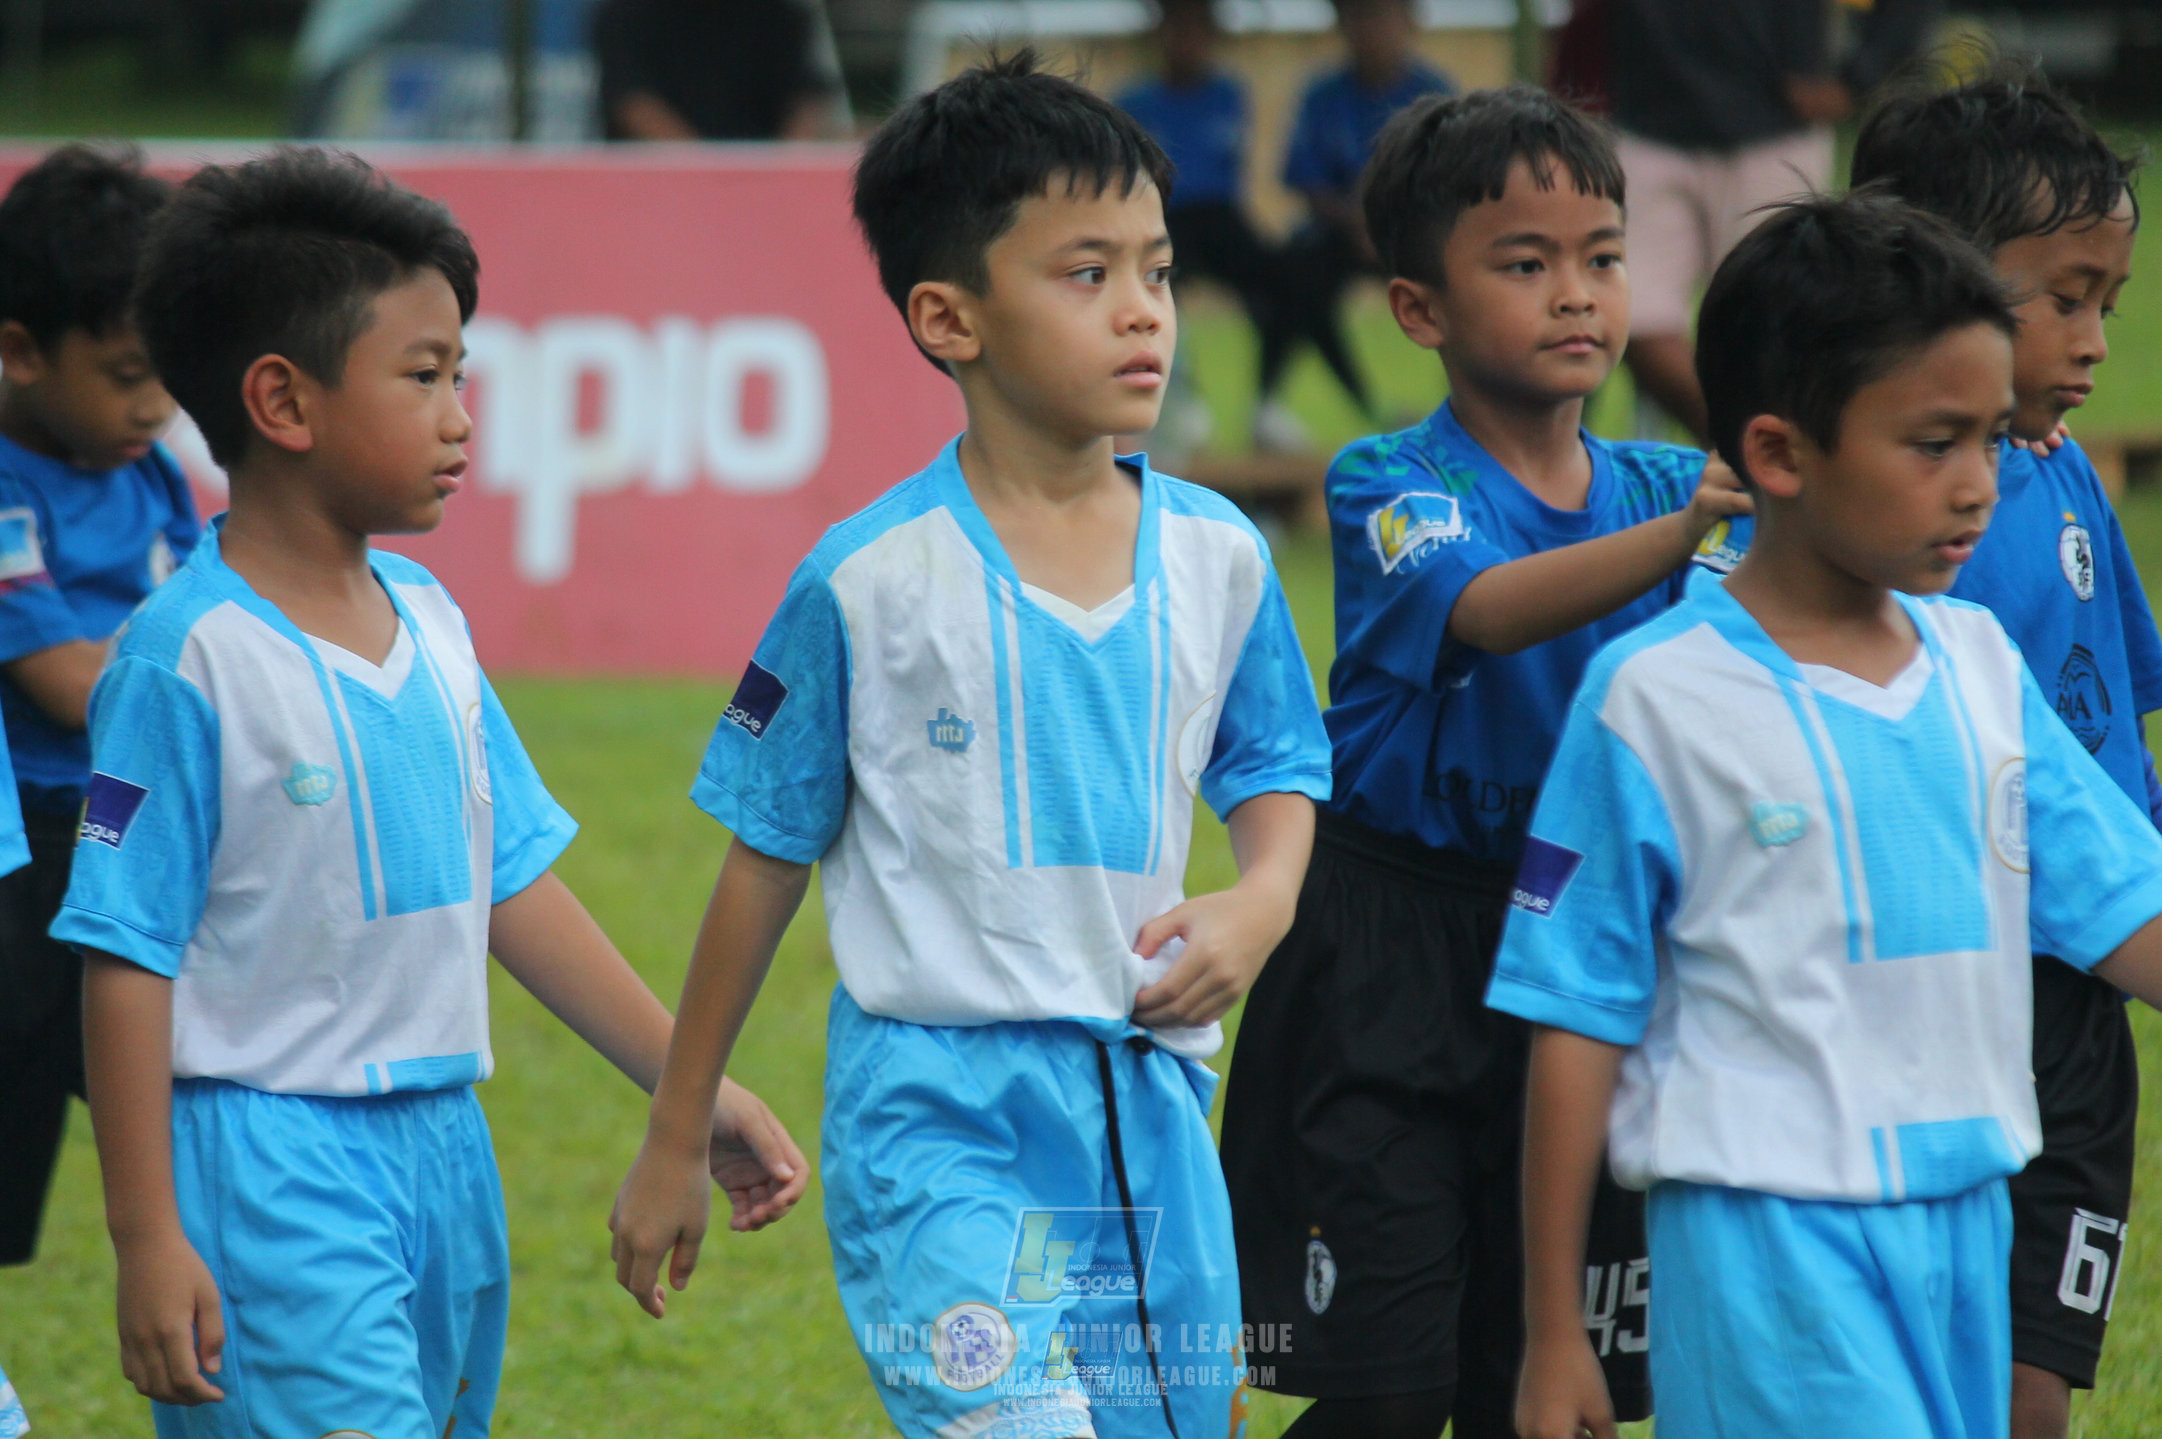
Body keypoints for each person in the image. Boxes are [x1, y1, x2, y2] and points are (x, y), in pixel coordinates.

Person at [607, 53, 1334, 1439]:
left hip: (1152, 1112)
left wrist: (1263, 895)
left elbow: (1275, 765)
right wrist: (671, 1123)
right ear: (949, 317)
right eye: (1084, 273)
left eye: (1159, 270)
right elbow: (762, 859)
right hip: (941, 1118)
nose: (1142, 311)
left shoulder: (1220, 554)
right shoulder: (866, 580)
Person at [57, 148, 807, 1438]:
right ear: (282, 402)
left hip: (446, 1150)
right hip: (273, 1169)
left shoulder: (433, 618)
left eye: (460, 371)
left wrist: (688, 1083)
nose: (462, 413)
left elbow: (507, 878)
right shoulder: (184, 659)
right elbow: (124, 956)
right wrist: (145, 1234)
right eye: (425, 374)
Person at [1498, 190, 2162, 1439]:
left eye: (1986, 440)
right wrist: (1552, 1331)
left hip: (1970, 1215)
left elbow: (2125, 907)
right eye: (1932, 445)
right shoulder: (1654, 700)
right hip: (1764, 1241)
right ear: (1780, 454)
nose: (1976, 487)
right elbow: (1572, 1018)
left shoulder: (1976, 665)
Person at [1218, 87, 1749, 1439]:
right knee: (1382, 1389)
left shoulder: (1663, 484)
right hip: (1386, 952)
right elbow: (1492, 605)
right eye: (1524, 262)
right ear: (1417, 308)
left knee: (1538, 1390)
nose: (1575, 294)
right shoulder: (1387, 479)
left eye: (1603, 257)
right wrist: (1695, 528)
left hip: (1581, 965)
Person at [1851, 68, 2151, 1439]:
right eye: (2064, 296)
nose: (2093, 338)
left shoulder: (2067, 470)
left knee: (2036, 1372)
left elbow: (2116, 700)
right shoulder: (1887, 524)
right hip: (1929, 985)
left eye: (2109, 300)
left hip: (2079, 1009)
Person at [0, 144, 199, 1270]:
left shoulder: (150, 472)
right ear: (20, 350)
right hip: (28, 856)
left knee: (194, 1113)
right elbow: (69, 685)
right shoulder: (5, 487)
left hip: (138, 835)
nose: (156, 404)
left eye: (167, 372)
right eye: (126, 374)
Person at [1608, 0, 1938, 440]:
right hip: (1648, 120)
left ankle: (1764, 458)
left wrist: (1861, 76)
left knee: (1781, 327)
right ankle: (1741, 446)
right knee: (1633, 313)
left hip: (1775, 126)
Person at [1270, 0, 1453, 446]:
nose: (1371, 28)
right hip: (1340, 233)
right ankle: (1283, 403)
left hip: (1411, 231)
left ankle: (1466, 404)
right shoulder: (1323, 94)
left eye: (1381, 14)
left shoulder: (1433, 92)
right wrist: (1358, 224)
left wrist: (1388, 223)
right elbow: (1305, 179)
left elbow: (1448, 179)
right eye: (1358, 15)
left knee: (1467, 277)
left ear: (1409, 20)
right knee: (1293, 271)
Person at [1116, 0, 1281, 452]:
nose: (1186, 42)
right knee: (1157, 295)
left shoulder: (1229, 93)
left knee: (1284, 280)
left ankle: (1267, 404)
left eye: (1197, 30)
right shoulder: (1133, 103)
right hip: (1161, 219)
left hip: (1217, 217)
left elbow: (1229, 171)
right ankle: (1179, 403)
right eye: (1176, 29)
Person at [593, 0, 848, 140]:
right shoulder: (625, 15)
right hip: (656, 188)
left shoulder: (782, 16)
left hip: (761, 188)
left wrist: (782, 170)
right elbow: (632, 103)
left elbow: (806, 101)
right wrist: (704, 172)